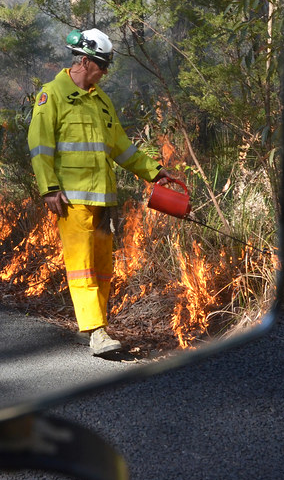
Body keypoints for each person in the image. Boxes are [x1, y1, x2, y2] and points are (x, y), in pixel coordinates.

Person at [28, 28, 176, 357]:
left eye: (107, 66)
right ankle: (96, 332)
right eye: (102, 65)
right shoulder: (52, 95)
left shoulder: (102, 101)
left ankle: (97, 325)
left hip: (104, 199)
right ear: (84, 61)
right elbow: (40, 145)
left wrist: (154, 172)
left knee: (103, 268)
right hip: (72, 200)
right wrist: (49, 188)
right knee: (81, 266)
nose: (105, 72)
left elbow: (121, 147)